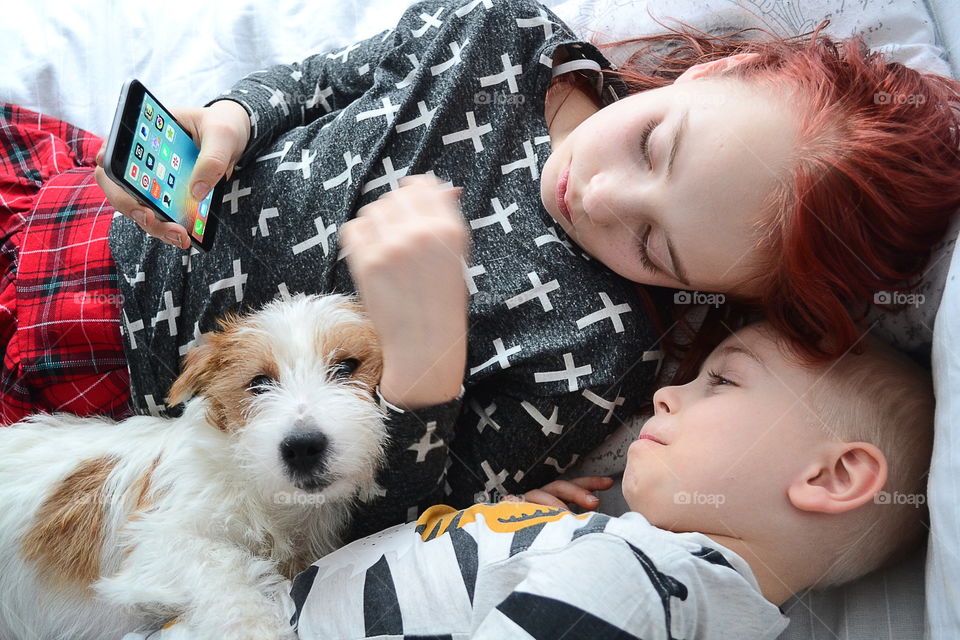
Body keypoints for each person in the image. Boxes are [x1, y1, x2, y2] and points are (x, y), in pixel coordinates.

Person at [0, 0, 957, 542]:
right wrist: (230, 122)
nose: (604, 197)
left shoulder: (594, 355)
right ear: (708, 73)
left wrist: (426, 363)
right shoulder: (504, 35)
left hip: (90, 361)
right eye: (656, 145)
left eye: (657, 248)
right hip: (62, 194)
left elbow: (376, 514)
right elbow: (328, 80)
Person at [127, 321, 935, 639]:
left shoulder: (641, 581)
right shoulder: (635, 562)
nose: (665, 392)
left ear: (833, 476)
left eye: (722, 382)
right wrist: (516, 527)